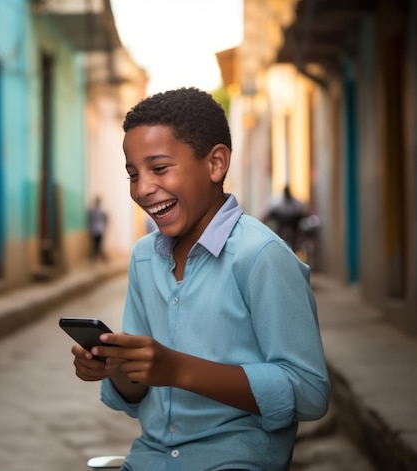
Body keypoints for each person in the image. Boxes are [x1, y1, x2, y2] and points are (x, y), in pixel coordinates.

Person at [69, 88, 330, 471]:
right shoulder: (144, 257)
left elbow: (309, 393)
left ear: (216, 164)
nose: (142, 188)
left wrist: (178, 369)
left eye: (159, 168)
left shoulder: (261, 256)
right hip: (149, 459)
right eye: (132, 174)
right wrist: (116, 368)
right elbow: (138, 388)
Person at [263, 185, 309, 251]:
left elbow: (304, 213)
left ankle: (293, 249)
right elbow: (268, 215)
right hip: (281, 224)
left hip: (293, 226)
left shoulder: (297, 203)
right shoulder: (277, 203)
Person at [88, 195, 108, 262]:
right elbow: (106, 220)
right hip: (99, 230)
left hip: (94, 230)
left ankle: (97, 259)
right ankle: (102, 259)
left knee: (96, 245)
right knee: (97, 245)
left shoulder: (92, 211)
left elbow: (89, 220)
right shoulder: (101, 211)